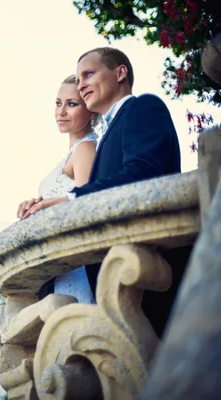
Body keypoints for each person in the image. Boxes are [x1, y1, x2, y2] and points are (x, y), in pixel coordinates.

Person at [23, 47, 183, 336]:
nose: (81, 83)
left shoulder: (143, 107)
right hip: (114, 274)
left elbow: (143, 173)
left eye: (89, 74)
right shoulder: (108, 134)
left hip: (143, 267)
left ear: (120, 73)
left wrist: (68, 200)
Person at [17, 74, 99, 304]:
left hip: (75, 266)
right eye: (58, 103)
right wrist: (36, 204)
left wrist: (46, 205)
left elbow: (85, 200)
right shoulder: (73, 152)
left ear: (91, 110)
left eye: (71, 104)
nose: (61, 111)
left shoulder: (86, 149)